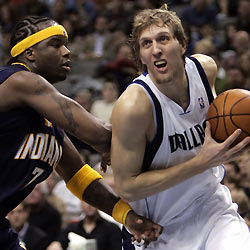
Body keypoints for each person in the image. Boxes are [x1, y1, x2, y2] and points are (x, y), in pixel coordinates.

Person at [0, 15, 163, 250]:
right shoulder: (19, 81)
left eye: (66, 44)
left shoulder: (47, 122)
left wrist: (126, 216)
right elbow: (97, 134)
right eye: (55, 44)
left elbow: (79, 177)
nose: (67, 51)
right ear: (30, 53)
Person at [110, 4, 250, 250]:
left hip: (212, 208)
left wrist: (233, 144)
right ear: (140, 57)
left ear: (182, 44)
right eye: (146, 44)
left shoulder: (205, 70)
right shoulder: (134, 106)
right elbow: (125, 187)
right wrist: (200, 163)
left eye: (163, 39)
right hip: (160, 228)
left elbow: (220, 128)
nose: (156, 50)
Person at [57, 201, 122, 250]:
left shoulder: (112, 228)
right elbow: (58, 244)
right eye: (86, 202)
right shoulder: (72, 228)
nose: (89, 205)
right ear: (81, 205)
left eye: (92, 201)